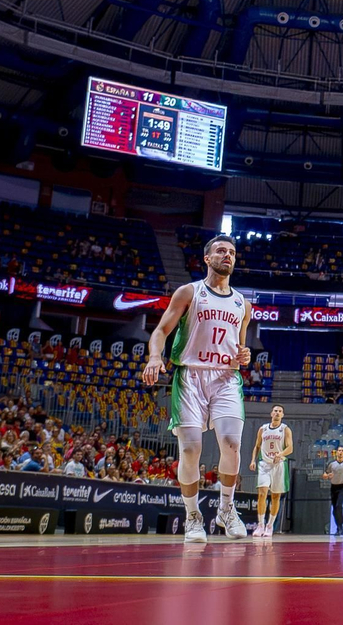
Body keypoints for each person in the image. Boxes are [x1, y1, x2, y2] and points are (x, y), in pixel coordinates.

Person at [142, 233, 252, 544]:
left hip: (226, 378)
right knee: (190, 449)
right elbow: (162, 330)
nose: (227, 255)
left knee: (231, 443)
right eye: (220, 251)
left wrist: (244, 355)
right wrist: (154, 356)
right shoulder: (189, 292)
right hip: (189, 375)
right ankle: (192, 515)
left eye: (231, 252)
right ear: (207, 258)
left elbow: (241, 349)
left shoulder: (243, 303)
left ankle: (226, 509)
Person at [251, 405, 293, 538]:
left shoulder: (285, 429)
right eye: (275, 410)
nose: (277, 413)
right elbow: (257, 446)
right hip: (264, 464)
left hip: (279, 465)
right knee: (262, 493)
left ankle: (270, 525)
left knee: (275, 496)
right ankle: (260, 524)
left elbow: (290, 448)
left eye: (280, 411)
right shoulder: (262, 429)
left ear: (283, 415)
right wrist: (253, 460)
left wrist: (280, 454)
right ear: (271, 413)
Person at [324, 449, 343, 533]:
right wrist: (327, 476)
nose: (340, 452)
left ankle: (340, 525)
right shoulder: (331, 464)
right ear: (336, 452)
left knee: (338, 506)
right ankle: (339, 527)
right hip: (333, 487)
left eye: (342, 451)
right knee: (334, 509)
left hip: (342, 487)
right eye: (339, 450)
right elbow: (325, 474)